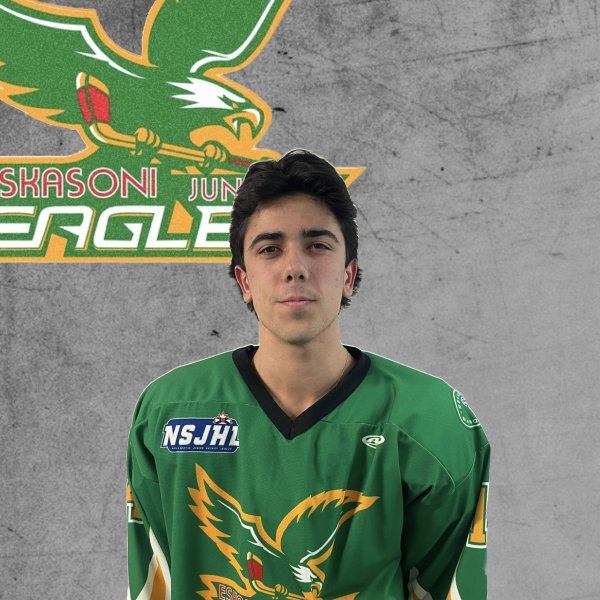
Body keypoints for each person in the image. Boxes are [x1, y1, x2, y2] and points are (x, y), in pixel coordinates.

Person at [126, 149, 490, 600]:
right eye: (270, 249)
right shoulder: (169, 410)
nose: (294, 268)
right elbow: (155, 580)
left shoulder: (430, 419)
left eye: (317, 245)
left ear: (349, 275)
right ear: (244, 281)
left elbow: (447, 587)